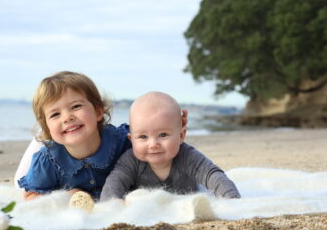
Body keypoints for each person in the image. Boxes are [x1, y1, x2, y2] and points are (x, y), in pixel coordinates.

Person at [100, 91, 240, 202]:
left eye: (163, 135)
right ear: (131, 140)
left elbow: (212, 175)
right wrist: (112, 204)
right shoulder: (130, 161)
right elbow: (115, 181)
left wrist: (231, 198)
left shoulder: (187, 156)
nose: (153, 144)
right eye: (143, 137)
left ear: (181, 136)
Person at [17, 71, 131, 201]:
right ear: (47, 127)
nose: (67, 117)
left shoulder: (123, 142)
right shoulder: (48, 161)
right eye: (55, 114)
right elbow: (30, 196)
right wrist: (66, 197)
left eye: (76, 106)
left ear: (98, 111)